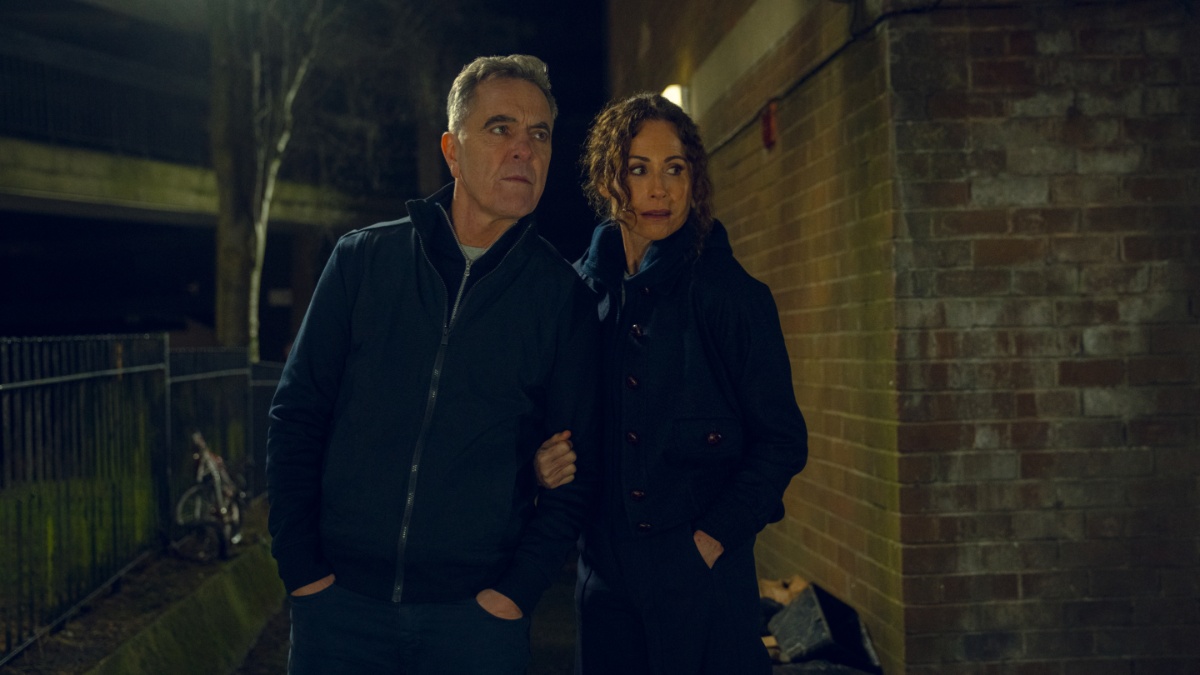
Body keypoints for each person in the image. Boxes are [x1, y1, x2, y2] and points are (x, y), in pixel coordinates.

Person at [266, 54, 599, 675]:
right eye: (500, 128)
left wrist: (515, 594)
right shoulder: (363, 262)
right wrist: (302, 568)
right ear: (452, 150)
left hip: (476, 624)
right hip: (340, 609)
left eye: (540, 133)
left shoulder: (564, 300)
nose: (524, 149)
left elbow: (575, 467)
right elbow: (297, 415)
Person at [536, 93, 808, 675]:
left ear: (694, 181)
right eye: (638, 170)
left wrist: (707, 542)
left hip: (702, 578)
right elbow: (545, 415)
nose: (659, 189)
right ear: (608, 181)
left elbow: (783, 441)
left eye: (675, 169)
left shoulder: (731, 297)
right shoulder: (578, 297)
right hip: (603, 582)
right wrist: (543, 458)